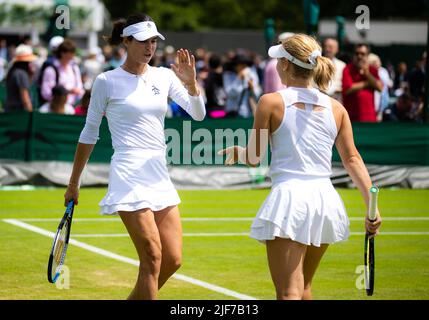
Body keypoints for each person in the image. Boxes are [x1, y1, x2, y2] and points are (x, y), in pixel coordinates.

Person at [219, 34, 381, 300]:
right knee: (303, 287)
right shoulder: (337, 108)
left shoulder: (269, 102)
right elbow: (353, 159)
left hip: (290, 200)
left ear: (284, 65)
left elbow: (255, 157)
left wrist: (241, 153)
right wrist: (372, 208)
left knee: (288, 293)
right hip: (325, 201)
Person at [63, 13, 206, 300]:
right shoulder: (106, 81)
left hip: (158, 172)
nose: (149, 47)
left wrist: (191, 85)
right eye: (143, 41)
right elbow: (89, 133)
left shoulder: (164, 75)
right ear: (126, 41)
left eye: (153, 41)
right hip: (128, 173)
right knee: (152, 257)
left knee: (172, 259)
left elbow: (199, 114)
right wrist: (74, 183)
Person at [342, 44, 383, 122]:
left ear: (367, 56)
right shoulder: (347, 69)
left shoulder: (372, 70)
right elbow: (348, 89)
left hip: (369, 117)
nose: (359, 56)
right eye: (357, 53)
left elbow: (380, 88)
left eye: (362, 54)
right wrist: (368, 83)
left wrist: (367, 74)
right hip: (351, 118)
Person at [40, 39, 84, 106]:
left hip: (72, 106)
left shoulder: (74, 68)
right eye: (70, 53)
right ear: (62, 53)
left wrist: (78, 94)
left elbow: (80, 88)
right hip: (55, 107)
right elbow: (46, 92)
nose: (72, 56)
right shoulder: (51, 70)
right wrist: (67, 92)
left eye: (73, 53)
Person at [223, 53, 262, 118]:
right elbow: (230, 94)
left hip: (248, 112)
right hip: (232, 112)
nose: (244, 68)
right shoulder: (228, 75)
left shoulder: (251, 74)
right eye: (241, 65)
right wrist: (239, 79)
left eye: (245, 65)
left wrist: (252, 88)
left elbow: (257, 95)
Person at [3, 44, 38, 112]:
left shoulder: (14, 71)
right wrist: (30, 114)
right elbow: (25, 99)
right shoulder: (21, 74)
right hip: (18, 114)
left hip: (10, 111)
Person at [323, 37, 346, 102]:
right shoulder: (316, 64)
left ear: (337, 49)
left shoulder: (342, 66)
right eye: (325, 46)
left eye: (330, 47)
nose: (327, 49)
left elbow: (345, 85)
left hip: (336, 101)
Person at [204, 54, 227, 118]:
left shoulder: (208, 78)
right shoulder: (224, 77)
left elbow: (207, 92)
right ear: (220, 64)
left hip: (211, 111)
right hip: (224, 111)